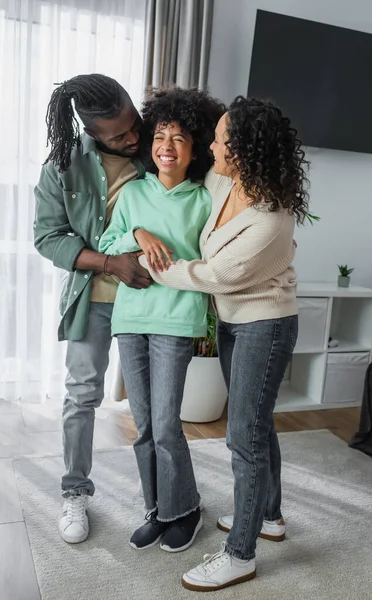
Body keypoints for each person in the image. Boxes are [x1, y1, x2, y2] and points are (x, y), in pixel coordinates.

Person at [135, 96, 309, 590]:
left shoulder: (272, 219)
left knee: (244, 437)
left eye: (220, 138)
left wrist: (148, 264)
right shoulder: (223, 180)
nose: (210, 143)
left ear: (246, 150)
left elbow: (215, 275)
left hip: (266, 326)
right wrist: (141, 227)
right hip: (235, 323)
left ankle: (241, 554)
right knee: (257, 426)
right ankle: (269, 517)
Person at [99, 87, 225, 553]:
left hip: (176, 320)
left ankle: (183, 510)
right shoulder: (133, 192)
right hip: (131, 319)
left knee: (167, 425)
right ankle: (156, 506)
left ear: (195, 150)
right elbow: (108, 242)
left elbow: (216, 256)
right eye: (160, 135)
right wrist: (136, 230)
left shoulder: (204, 199)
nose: (165, 145)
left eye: (178, 138)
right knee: (144, 425)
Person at [33, 74, 152, 545]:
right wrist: (108, 263)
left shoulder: (151, 150)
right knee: (82, 396)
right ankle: (75, 492)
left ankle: (161, 497)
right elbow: (47, 237)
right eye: (118, 136)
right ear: (91, 132)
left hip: (150, 301)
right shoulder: (62, 166)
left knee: (150, 407)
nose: (132, 138)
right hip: (94, 300)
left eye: (133, 125)